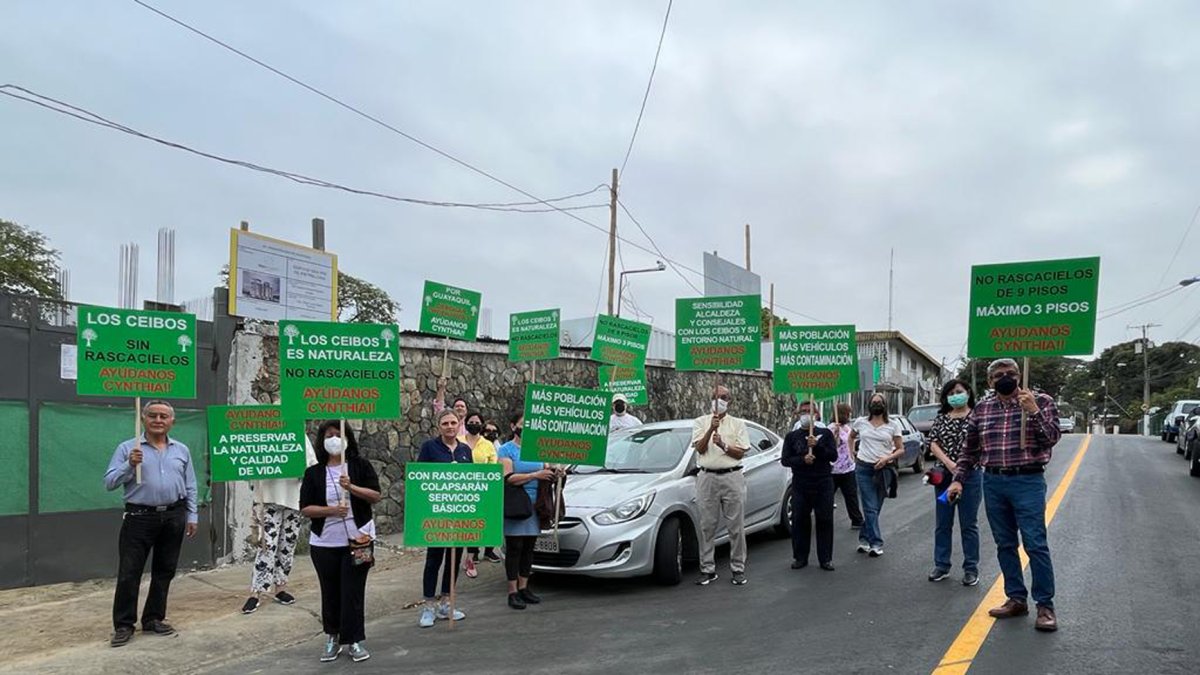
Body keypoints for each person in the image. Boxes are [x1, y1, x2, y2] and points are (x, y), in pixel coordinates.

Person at [947, 358, 1062, 632]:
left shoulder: (1041, 401)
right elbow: (970, 451)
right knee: (1005, 543)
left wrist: (1033, 411)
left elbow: (1052, 437)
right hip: (994, 481)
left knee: (1035, 543)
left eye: (1011, 373)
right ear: (990, 382)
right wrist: (958, 480)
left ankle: (1045, 606)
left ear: (1019, 375)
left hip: (1028, 480)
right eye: (999, 375)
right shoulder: (982, 409)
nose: (1005, 378)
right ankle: (1016, 598)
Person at [104, 400, 199, 648]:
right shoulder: (128, 448)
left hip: (173, 516)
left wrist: (192, 516)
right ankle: (124, 625)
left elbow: (190, 485)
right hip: (139, 517)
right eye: (153, 415)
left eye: (163, 416)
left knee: (165, 570)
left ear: (172, 422)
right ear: (143, 419)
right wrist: (129, 465)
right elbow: (110, 482)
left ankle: (154, 618)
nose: (158, 420)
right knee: (129, 572)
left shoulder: (182, 450)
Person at [299, 421, 381, 663]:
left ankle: (354, 640)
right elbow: (305, 508)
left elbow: (375, 495)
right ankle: (332, 637)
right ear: (322, 441)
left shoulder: (360, 466)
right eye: (329, 435)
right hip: (324, 544)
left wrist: (351, 487)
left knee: (353, 592)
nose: (334, 439)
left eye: (338, 435)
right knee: (331, 591)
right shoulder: (313, 472)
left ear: (348, 439)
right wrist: (332, 511)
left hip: (359, 540)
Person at [242, 435, 319, 614]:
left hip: (294, 499)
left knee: (287, 544)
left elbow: (311, 464)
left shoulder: (299, 434)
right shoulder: (262, 435)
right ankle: (256, 593)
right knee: (266, 545)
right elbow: (246, 463)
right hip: (267, 499)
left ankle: (281, 587)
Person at [416, 410, 473, 627]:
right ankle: (429, 605)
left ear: (459, 424)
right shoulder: (429, 447)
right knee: (434, 559)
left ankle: (446, 602)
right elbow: (419, 479)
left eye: (453, 422)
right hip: (437, 515)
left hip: (459, 517)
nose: (450, 426)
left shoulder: (465, 450)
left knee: (454, 560)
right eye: (445, 423)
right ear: (439, 426)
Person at [691, 384, 751, 586]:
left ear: (730, 401)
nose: (720, 400)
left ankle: (738, 568)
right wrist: (711, 429)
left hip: (731, 477)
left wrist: (723, 444)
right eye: (716, 397)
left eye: (724, 397)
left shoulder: (737, 424)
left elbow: (740, 452)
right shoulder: (700, 422)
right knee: (707, 526)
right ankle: (707, 569)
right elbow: (699, 448)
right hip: (707, 477)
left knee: (736, 527)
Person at [497, 412, 555, 610]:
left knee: (529, 548)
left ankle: (524, 587)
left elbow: (549, 469)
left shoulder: (539, 448)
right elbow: (507, 477)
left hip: (535, 505)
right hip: (516, 504)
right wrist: (535, 475)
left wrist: (556, 472)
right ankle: (512, 591)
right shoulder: (506, 449)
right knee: (515, 548)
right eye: (522, 424)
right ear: (513, 426)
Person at [927, 379, 982, 587]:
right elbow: (933, 443)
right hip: (944, 475)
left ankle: (970, 568)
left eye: (959, 391)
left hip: (971, 476)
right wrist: (950, 464)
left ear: (968, 393)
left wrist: (961, 468)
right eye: (951, 393)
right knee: (943, 523)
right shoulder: (942, 418)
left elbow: (981, 445)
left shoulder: (977, 416)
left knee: (969, 524)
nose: (955, 395)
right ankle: (941, 565)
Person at [781, 400, 838, 571]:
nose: (806, 414)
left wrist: (817, 446)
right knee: (800, 520)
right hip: (801, 482)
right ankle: (800, 557)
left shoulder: (825, 434)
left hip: (823, 481)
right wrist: (802, 460)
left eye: (809, 411)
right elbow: (785, 460)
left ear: (817, 415)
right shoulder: (792, 437)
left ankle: (825, 559)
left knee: (825, 519)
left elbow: (833, 456)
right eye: (803, 411)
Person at [849, 393, 904, 558]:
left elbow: (901, 449)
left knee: (875, 507)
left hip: (884, 470)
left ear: (885, 405)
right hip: (864, 468)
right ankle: (876, 543)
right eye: (874, 402)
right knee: (870, 506)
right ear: (869, 405)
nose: (877, 404)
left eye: (880, 402)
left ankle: (864, 539)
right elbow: (851, 437)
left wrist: (887, 458)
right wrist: (852, 452)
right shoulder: (861, 422)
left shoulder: (893, 425)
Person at [462, 412, 502, 576]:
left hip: (482, 491)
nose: (474, 424)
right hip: (460, 492)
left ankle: (470, 559)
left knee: (478, 523)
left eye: (477, 422)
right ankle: (467, 557)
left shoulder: (488, 445)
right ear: (465, 424)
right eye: (471, 421)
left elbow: (493, 469)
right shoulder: (459, 441)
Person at [829, 402, 864, 529]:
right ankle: (824, 519)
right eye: (848, 413)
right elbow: (830, 445)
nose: (850, 415)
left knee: (851, 496)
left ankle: (856, 520)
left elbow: (851, 442)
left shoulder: (847, 428)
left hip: (848, 468)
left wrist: (853, 454)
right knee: (827, 497)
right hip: (834, 468)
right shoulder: (831, 428)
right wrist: (835, 436)